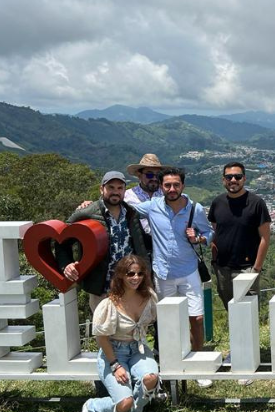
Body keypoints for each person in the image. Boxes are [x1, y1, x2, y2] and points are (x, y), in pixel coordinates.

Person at [131, 167, 214, 389]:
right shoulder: (152, 207)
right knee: (167, 322)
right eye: (167, 185)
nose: (172, 189)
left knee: (196, 319)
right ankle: (170, 365)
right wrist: (90, 205)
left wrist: (198, 238)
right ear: (161, 186)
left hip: (188, 272)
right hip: (163, 274)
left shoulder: (194, 209)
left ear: (182, 186)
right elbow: (123, 207)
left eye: (176, 184)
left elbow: (209, 233)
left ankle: (198, 364)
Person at [56, 171, 150, 312]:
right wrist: (67, 264)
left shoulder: (131, 213)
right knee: (105, 330)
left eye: (120, 188)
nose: (115, 192)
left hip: (129, 285)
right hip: (102, 287)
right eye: (111, 187)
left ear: (125, 190)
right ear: (102, 189)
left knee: (129, 329)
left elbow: (141, 244)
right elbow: (62, 240)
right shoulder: (87, 213)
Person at [82, 255, 160, 412]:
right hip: (113, 353)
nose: (135, 278)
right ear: (121, 275)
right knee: (125, 402)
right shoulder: (110, 304)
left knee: (151, 379)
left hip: (139, 349)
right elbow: (102, 338)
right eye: (130, 273)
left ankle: (133, 409)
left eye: (140, 274)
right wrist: (115, 366)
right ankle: (92, 406)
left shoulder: (149, 297)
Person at [208, 162, 272, 310]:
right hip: (222, 269)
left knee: (248, 314)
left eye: (238, 176)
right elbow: (216, 232)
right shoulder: (217, 202)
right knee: (230, 310)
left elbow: (265, 238)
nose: (233, 180)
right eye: (229, 177)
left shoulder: (256, 203)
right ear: (223, 180)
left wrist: (256, 269)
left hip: (246, 269)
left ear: (244, 179)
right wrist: (215, 262)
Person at [125, 154, 168, 238]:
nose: (154, 178)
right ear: (139, 175)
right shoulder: (127, 196)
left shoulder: (167, 195)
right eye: (149, 175)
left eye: (158, 175)